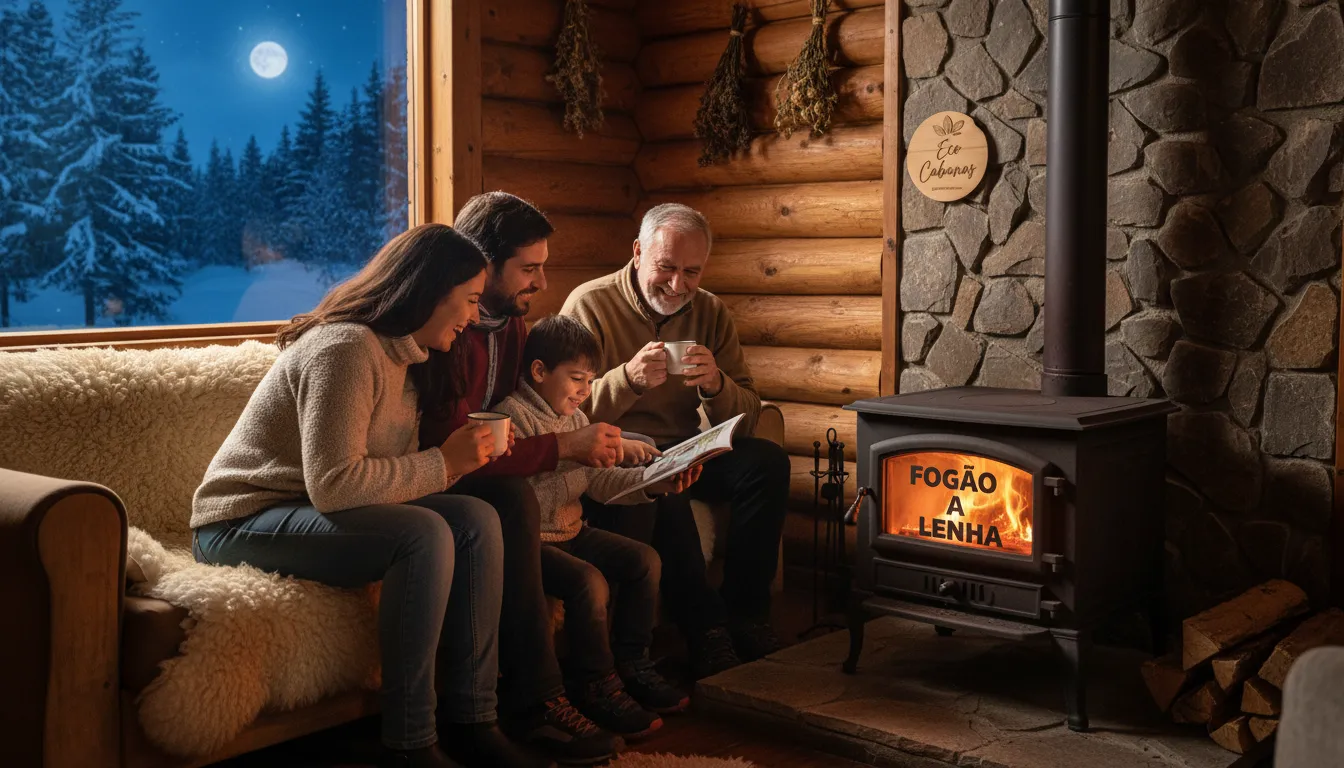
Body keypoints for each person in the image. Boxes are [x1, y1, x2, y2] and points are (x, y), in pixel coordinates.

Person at [191, 224, 550, 768]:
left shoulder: (409, 358)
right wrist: (445, 462)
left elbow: (387, 476)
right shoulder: (346, 348)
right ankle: (410, 742)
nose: (475, 317)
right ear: (429, 291)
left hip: (310, 508)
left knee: (476, 518)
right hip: (240, 519)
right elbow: (335, 484)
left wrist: (459, 463)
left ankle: (473, 721)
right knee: (424, 533)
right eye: (470, 300)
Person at [417, 192, 626, 765]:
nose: (540, 281)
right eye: (528, 268)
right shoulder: (445, 331)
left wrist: (599, 447)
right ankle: (536, 702)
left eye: (543, 266)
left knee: (642, 507)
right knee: (508, 501)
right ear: (484, 263)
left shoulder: (511, 327)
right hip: (435, 478)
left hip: (493, 476)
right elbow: (453, 449)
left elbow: (537, 410)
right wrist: (561, 447)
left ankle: (611, 680)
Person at [562, 203, 791, 680]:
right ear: (637, 252)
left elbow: (749, 413)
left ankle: (746, 615)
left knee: (766, 462)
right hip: (622, 453)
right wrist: (626, 379)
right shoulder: (590, 304)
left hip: (689, 446)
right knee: (662, 481)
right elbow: (565, 413)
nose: (677, 285)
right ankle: (706, 631)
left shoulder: (709, 311)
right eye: (666, 268)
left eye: (691, 271)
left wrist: (716, 386)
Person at [496, 315, 697, 740]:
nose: (585, 391)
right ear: (538, 371)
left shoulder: (574, 417)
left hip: (572, 530)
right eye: (576, 379)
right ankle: (594, 684)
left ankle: (633, 663)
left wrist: (653, 483)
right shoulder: (512, 418)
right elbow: (516, 488)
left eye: (590, 380)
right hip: (532, 543)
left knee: (645, 560)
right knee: (589, 582)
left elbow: (600, 483)